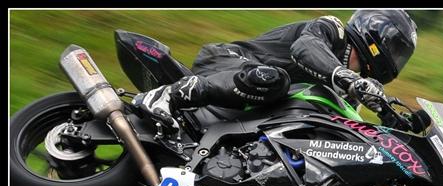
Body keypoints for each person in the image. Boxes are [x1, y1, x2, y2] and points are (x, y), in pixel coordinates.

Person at [133, 9, 418, 131]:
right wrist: (346, 77)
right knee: (275, 79)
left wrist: (392, 119)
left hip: (251, 105)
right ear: (377, 33)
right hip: (232, 62)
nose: (396, 58)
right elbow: (305, 48)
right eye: (396, 48)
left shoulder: (349, 92)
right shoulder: (333, 29)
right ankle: (169, 94)